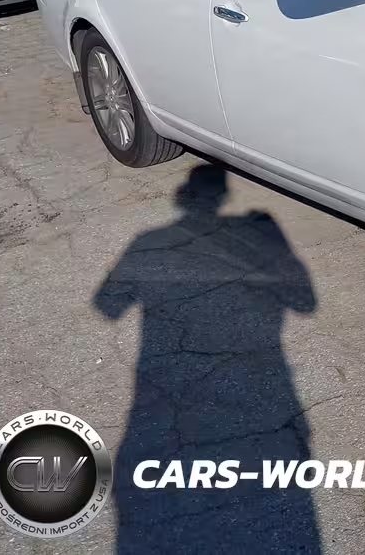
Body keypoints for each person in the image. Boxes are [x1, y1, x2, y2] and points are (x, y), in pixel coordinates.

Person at [95, 164, 321, 553]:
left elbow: (107, 304)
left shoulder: (149, 241)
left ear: (182, 198)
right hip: (261, 387)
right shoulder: (252, 235)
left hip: (168, 395)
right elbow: (305, 302)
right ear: (223, 197)